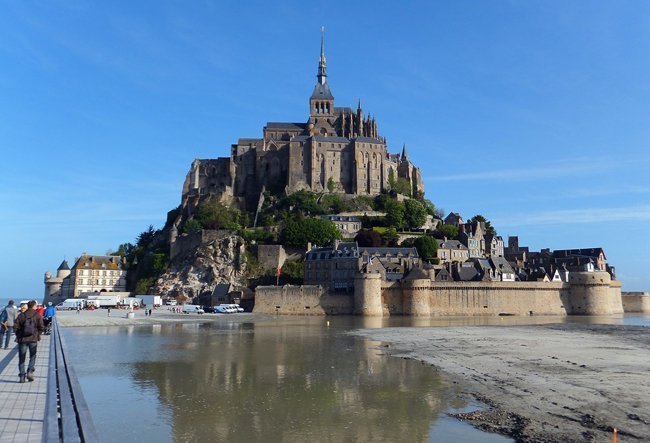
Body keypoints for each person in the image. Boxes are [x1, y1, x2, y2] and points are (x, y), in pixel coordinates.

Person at [14, 300, 44, 383]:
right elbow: (41, 327)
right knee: (32, 356)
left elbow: (15, 327)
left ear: (28, 306)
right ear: (34, 306)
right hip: (33, 339)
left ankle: (22, 376)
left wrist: (19, 335)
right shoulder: (37, 315)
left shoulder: (21, 315)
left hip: (22, 340)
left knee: (22, 358)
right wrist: (38, 335)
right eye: (36, 306)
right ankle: (30, 372)